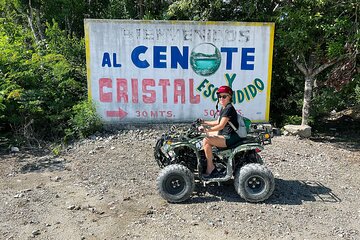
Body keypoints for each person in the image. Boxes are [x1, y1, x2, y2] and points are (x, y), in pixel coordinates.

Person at [199, 85, 241, 179]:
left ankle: (211, 168)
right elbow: (217, 122)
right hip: (226, 134)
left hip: (230, 137)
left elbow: (220, 126)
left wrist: (205, 130)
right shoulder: (224, 107)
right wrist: (204, 122)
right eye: (219, 96)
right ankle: (206, 159)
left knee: (206, 140)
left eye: (224, 96)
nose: (221, 98)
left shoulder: (229, 108)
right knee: (205, 136)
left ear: (230, 97)